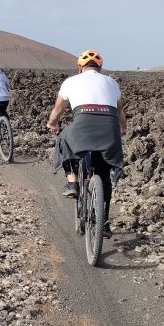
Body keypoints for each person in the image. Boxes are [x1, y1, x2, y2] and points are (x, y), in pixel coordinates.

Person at [46, 50, 126, 238]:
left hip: (82, 125)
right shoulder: (112, 82)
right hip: (109, 128)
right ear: (100, 68)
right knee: (104, 175)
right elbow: (120, 111)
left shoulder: (71, 81)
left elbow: (58, 109)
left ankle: (73, 183)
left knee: (64, 139)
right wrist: (123, 129)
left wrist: (52, 123)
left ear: (80, 67)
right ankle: (104, 224)